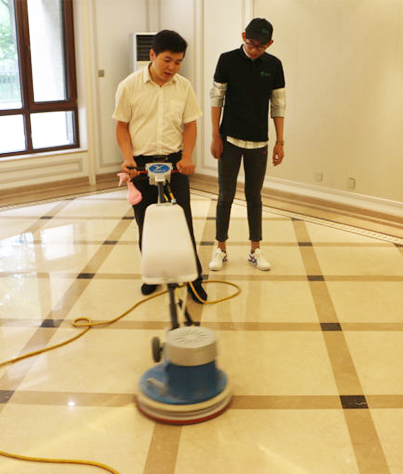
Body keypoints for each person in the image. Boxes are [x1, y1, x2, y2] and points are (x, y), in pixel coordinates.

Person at [112, 29, 207, 302]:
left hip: (174, 163)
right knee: (146, 222)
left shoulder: (184, 86)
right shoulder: (129, 86)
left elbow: (190, 125)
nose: (172, 67)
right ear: (152, 54)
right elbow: (122, 126)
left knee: (183, 221)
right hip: (141, 165)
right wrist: (128, 158)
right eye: (167, 60)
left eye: (178, 62)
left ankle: (193, 278)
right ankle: (151, 274)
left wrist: (187, 157)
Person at [209, 18, 286, 272]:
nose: (254, 50)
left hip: (259, 141)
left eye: (260, 46)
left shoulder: (274, 65)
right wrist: (215, 135)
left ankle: (255, 250)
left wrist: (280, 141)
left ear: (269, 44)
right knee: (225, 195)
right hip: (229, 139)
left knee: (254, 196)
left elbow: (278, 105)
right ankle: (220, 248)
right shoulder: (227, 60)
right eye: (251, 43)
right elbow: (216, 98)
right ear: (243, 36)